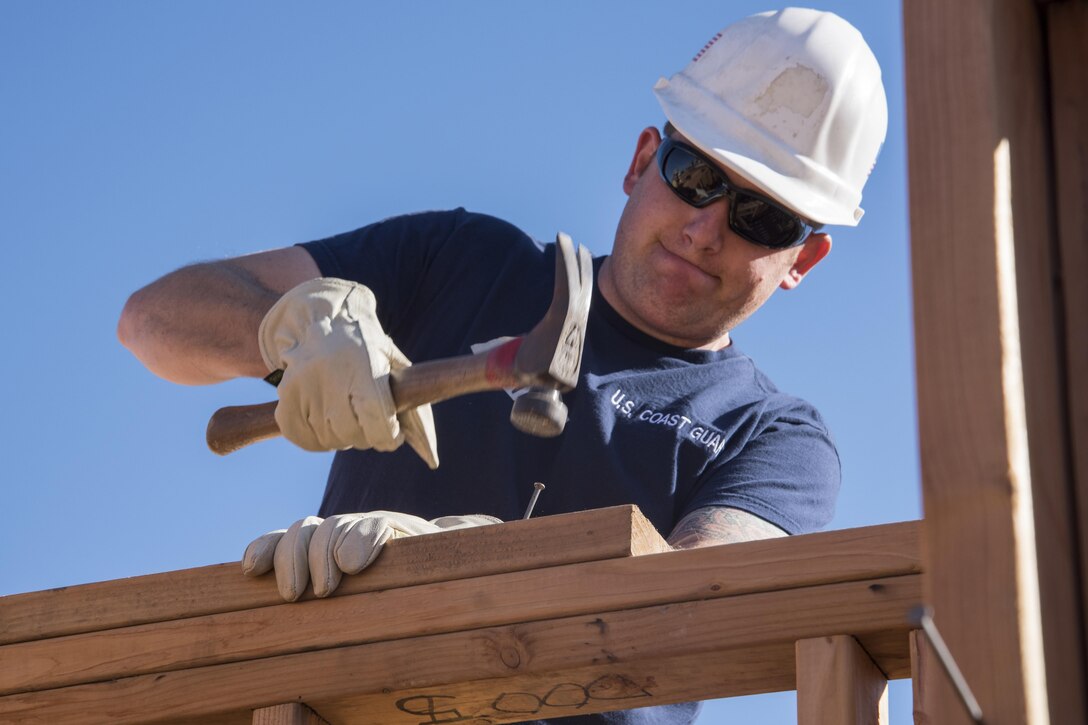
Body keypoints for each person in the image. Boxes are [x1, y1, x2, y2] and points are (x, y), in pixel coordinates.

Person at [118, 8, 887, 724]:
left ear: (803, 260)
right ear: (642, 160)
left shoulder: (776, 439)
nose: (705, 226)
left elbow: (696, 606)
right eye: (694, 174)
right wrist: (293, 328)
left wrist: (477, 569)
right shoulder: (460, 263)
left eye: (762, 217)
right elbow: (155, 320)